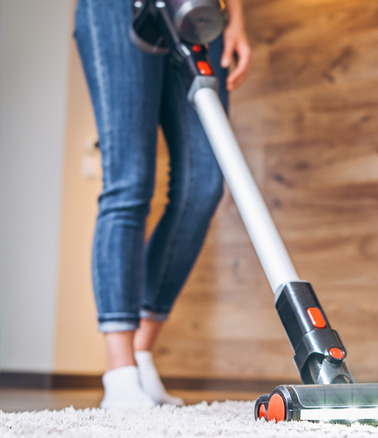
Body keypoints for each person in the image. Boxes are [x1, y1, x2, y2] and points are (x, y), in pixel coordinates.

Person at [73, 0, 251, 409]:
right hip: (119, 9)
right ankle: (119, 374)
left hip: (197, 11)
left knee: (204, 184)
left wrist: (236, 20)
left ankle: (140, 354)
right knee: (129, 179)